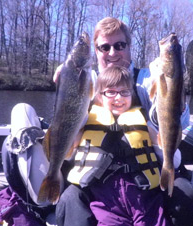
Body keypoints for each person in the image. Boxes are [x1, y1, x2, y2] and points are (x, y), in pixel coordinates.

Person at [2, 17, 193, 226]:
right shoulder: (88, 81)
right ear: (95, 51)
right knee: (70, 199)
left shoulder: (147, 79)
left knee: (184, 195)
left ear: (128, 46)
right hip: (98, 182)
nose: (112, 53)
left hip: (144, 178)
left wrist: (174, 89)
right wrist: (69, 75)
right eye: (104, 47)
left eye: (119, 45)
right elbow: (68, 116)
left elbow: (179, 119)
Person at [65, 65, 170, 225]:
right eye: (111, 92)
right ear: (99, 96)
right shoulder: (87, 121)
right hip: (106, 200)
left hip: (144, 194)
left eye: (124, 92)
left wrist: (167, 151)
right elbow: (67, 147)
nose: (118, 98)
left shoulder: (142, 120)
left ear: (131, 94)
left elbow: (165, 150)